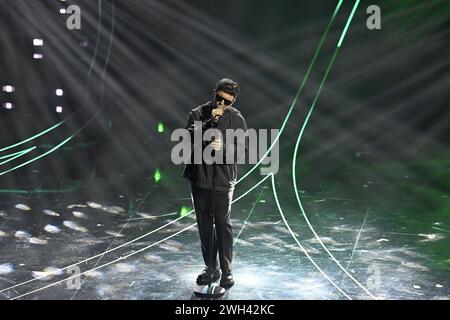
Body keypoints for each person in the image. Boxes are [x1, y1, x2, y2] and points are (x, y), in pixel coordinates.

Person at [183, 78, 247, 289]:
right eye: (218, 98)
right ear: (214, 93)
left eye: (226, 102)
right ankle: (211, 268)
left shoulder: (237, 119)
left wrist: (224, 146)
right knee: (204, 225)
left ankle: (226, 271)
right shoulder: (198, 114)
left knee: (222, 224)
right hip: (199, 176)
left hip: (222, 179)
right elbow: (187, 139)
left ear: (233, 101)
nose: (221, 104)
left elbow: (243, 150)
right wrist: (209, 123)